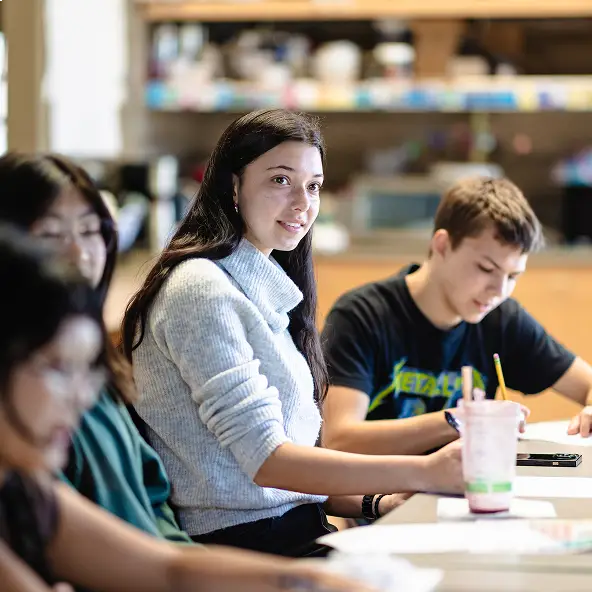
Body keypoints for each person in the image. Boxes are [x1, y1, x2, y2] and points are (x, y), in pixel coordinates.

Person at [122, 108, 463, 558]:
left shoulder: (258, 285)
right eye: (281, 180)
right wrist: (424, 471)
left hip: (291, 532)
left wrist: (376, 501)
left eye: (314, 185)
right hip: (240, 551)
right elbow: (268, 463)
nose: (303, 203)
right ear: (233, 186)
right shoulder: (200, 289)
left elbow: (287, 484)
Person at [0, 224, 375, 592]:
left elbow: (168, 569)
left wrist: (307, 581)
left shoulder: (24, 494)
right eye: (57, 368)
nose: (83, 398)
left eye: (87, 372)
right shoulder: (196, 289)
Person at [321, 176, 592, 459]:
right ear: (442, 245)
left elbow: (588, 384)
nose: (499, 291)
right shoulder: (361, 316)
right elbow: (338, 439)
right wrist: (457, 420)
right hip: (380, 496)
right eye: (486, 269)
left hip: (463, 491)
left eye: (513, 276)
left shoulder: (501, 318)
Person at [0, 152, 193, 542]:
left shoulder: (96, 368)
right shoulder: (22, 396)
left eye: (90, 232)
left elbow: (153, 498)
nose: (79, 254)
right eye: (50, 235)